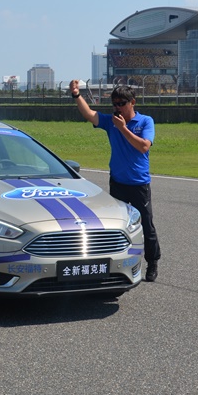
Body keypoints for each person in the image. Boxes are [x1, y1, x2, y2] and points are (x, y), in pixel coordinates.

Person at [69, 80, 161, 282]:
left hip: (139, 184)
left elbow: (144, 146)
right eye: (114, 104)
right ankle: (114, 263)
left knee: (146, 225)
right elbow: (89, 114)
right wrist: (76, 95)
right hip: (118, 183)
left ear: (132, 102)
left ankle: (152, 262)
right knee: (115, 226)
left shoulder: (145, 121)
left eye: (121, 103)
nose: (117, 107)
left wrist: (123, 129)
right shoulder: (111, 121)